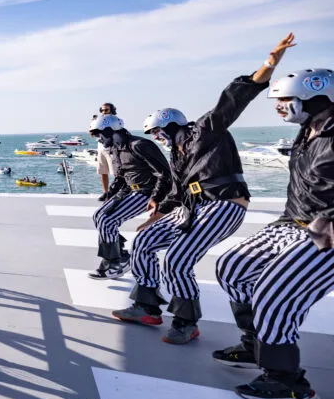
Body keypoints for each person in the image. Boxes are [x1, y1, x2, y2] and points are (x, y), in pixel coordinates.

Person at [112, 34, 296, 345]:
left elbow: (234, 99)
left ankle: (186, 321)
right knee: (144, 240)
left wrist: (270, 64)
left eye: (157, 131)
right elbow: (178, 193)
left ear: (172, 125)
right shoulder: (177, 156)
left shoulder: (205, 129)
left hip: (225, 205)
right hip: (194, 210)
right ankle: (147, 307)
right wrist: (158, 210)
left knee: (177, 259)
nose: (156, 137)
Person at [214, 57, 332, 399]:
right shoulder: (310, 129)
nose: (280, 108)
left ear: (315, 98)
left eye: (285, 100)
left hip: (327, 230)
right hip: (294, 220)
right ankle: (256, 343)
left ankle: (288, 382)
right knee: (233, 268)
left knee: (274, 291)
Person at [87, 114, 172, 279]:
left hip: (147, 191)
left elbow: (165, 173)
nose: (98, 139)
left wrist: (156, 197)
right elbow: (121, 177)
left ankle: (115, 263)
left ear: (111, 130)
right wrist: (110, 195)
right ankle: (121, 255)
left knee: (108, 220)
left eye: (99, 134)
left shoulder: (140, 145)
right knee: (99, 216)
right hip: (130, 191)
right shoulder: (115, 149)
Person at [96, 103, 119, 197]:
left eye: (106, 110)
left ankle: (117, 192)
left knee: (116, 173)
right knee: (102, 172)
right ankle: (106, 192)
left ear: (112, 110)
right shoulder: (98, 120)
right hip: (101, 147)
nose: (103, 112)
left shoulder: (116, 120)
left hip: (111, 148)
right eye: (102, 110)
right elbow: (93, 134)